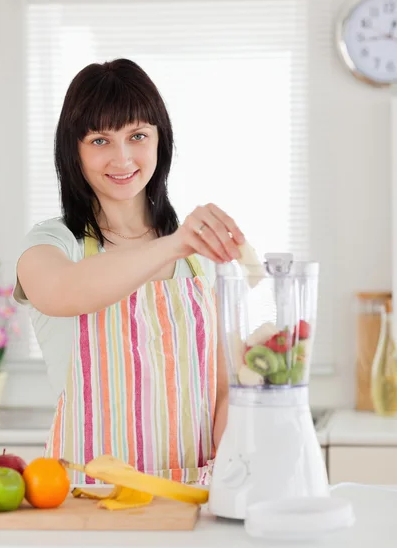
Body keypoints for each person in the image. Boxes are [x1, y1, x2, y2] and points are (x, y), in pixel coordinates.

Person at [13, 58, 246, 485]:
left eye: (137, 135)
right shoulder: (52, 244)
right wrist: (174, 243)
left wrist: (232, 473)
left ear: (161, 141)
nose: (122, 158)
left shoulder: (199, 262)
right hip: (85, 502)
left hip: (191, 497)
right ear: (74, 150)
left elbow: (223, 391)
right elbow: (62, 291)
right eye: (100, 140)